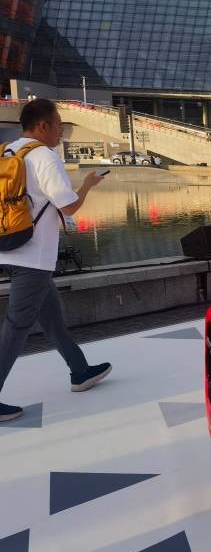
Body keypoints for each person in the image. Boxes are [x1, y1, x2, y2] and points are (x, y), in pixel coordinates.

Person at [0, 100, 112, 422]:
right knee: (17, 326)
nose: (62, 130)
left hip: (8, 246)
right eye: (59, 124)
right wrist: (87, 185)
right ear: (43, 126)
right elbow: (69, 206)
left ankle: (80, 371)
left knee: (51, 317)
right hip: (32, 256)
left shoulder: (8, 151)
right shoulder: (44, 156)